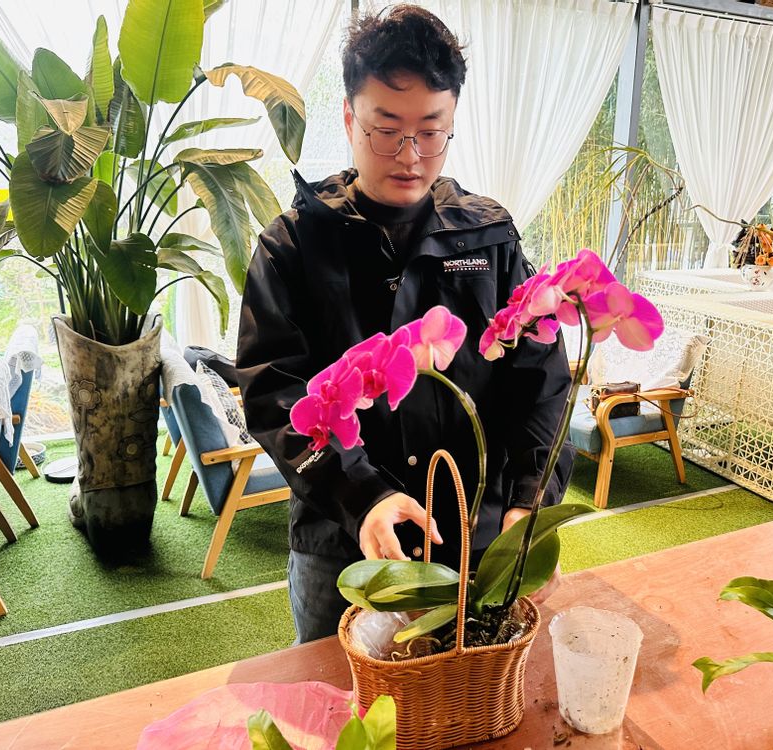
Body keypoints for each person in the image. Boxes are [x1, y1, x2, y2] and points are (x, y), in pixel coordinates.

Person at [236, 4, 573, 643]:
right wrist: (362, 493)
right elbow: (275, 394)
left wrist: (530, 500)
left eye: (431, 131)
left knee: (475, 697)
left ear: (452, 122)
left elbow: (541, 381)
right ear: (348, 117)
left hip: (476, 534)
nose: (410, 156)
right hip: (347, 541)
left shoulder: (489, 238)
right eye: (386, 129)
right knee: (340, 696)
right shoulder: (293, 246)